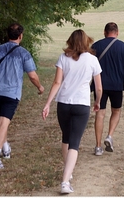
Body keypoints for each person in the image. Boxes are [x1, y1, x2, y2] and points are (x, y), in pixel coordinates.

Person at [0, 23, 45, 169]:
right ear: (20, 36)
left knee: (1, 122)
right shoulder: (24, 53)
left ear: (8, 35)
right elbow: (32, 75)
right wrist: (39, 86)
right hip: (11, 94)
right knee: (3, 123)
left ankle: (5, 148)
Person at [42, 29, 102, 194]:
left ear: (70, 41)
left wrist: (47, 104)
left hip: (64, 103)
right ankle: (65, 181)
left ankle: (68, 173)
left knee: (66, 138)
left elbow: (56, 82)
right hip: (81, 104)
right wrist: (97, 102)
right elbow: (98, 87)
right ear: (86, 41)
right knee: (74, 142)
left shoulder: (64, 58)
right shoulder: (93, 60)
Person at [92, 22, 124, 156]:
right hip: (117, 85)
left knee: (100, 113)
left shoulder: (96, 46)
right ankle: (109, 136)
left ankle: (98, 146)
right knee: (116, 111)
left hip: (100, 85)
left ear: (104, 32)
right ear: (117, 33)